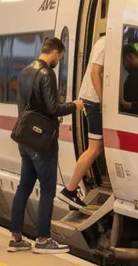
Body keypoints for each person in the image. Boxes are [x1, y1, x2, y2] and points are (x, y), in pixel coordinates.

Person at [8, 37, 78, 254]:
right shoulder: (47, 73)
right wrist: (74, 106)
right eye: (61, 57)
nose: (59, 61)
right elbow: (53, 108)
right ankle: (43, 239)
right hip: (41, 142)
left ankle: (16, 238)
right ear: (55, 53)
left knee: (23, 188)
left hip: (25, 139)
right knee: (47, 190)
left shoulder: (26, 71)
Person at [59, 34, 107, 211]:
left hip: (93, 100)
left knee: (98, 147)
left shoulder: (106, 42)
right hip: (93, 101)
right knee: (94, 148)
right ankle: (70, 190)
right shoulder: (105, 43)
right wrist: (104, 102)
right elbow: (95, 72)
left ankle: (71, 190)